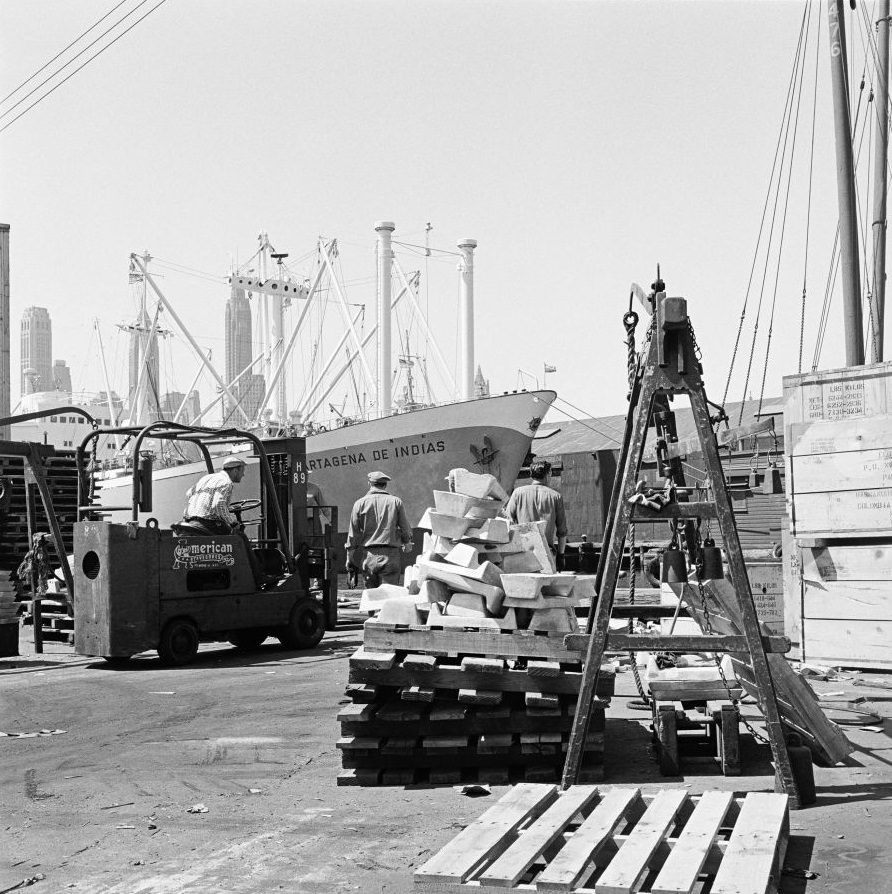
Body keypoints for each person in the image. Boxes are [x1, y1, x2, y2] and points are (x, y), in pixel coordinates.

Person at [347, 471, 413, 586]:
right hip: (390, 555)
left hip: (369, 556)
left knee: (372, 597)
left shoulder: (359, 503)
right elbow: (405, 528)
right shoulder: (396, 502)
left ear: (369, 484)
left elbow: (353, 535)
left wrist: (350, 558)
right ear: (385, 485)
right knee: (389, 597)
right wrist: (407, 543)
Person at [505, 459, 568, 566]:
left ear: (531, 475)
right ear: (549, 474)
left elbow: (507, 521)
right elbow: (562, 532)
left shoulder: (517, 493)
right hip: (547, 553)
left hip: (523, 552)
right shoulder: (556, 496)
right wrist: (561, 556)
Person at [181, 456, 247, 534]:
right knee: (239, 536)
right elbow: (218, 504)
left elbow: (189, 494)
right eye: (242, 471)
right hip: (208, 524)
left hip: (191, 522)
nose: (243, 474)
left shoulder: (206, 478)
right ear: (235, 470)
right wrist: (232, 523)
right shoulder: (226, 482)